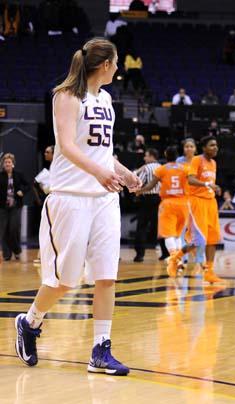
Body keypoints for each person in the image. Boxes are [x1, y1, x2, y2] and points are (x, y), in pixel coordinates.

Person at [15, 38, 141, 374]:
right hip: (70, 197)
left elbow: (104, 154)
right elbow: (67, 146)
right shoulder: (66, 96)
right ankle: (30, 322)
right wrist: (100, 172)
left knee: (106, 276)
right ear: (105, 65)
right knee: (65, 281)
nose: (119, 68)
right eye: (116, 63)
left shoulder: (108, 99)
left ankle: (101, 350)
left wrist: (125, 174)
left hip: (103, 199)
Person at [135, 146, 194, 277]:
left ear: (166, 155)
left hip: (168, 203)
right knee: (178, 236)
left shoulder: (161, 169)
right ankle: (178, 259)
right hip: (184, 204)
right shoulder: (185, 168)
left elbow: (150, 185)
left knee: (168, 235)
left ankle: (173, 258)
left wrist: (139, 191)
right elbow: (192, 183)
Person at [187, 136, 224, 284]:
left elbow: (210, 184)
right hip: (198, 202)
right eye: (212, 145)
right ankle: (177, 256)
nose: (215, 147)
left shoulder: (214, 163)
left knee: (212, 238)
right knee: (199, 239)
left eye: (216, 145)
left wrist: (214, 187)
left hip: (211, 202)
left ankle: (209, 271)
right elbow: (190, 179)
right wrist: (207, 184)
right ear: (204, 148)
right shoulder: (197, 160)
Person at [177, 139, 205, 271]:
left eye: (191, 146)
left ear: (195, 148)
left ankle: (201, 260)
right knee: (181, 231)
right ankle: (182, 260)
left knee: (198, 232)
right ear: (183, 148)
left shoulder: (200, 161)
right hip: (181, 199)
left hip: (196, 200)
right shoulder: (178, 162)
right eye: (186, 146)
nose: (189, 148)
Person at [132, 149, 162, 263]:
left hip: (147, 199)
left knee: (142, 227)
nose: (144, 158)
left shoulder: (146, 168)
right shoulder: (162, 167)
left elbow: (140, 182)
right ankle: (165, 252)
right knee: (161, 226)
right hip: (160, 198)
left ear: (151, 156)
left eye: (146, 156)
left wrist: (137, 192)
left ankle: (140, 254)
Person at [0, 153, 29, 261]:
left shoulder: (18, 174)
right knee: (3, 230)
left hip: (16, 206)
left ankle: (16, 250)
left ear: (13, 164)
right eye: (5, 162)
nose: (7, 164)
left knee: (13, 228)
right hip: (2, 207)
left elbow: (28, 185)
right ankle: (7, 254)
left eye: (9, 162)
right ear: (3, 164)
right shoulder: (1, 175)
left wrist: (22, 191)